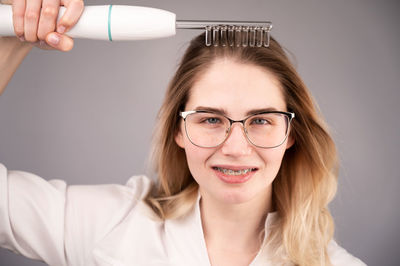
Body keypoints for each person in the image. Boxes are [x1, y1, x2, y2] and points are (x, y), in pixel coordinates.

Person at [0, 0, 367, 265]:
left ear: (291, 134)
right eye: (210, 119)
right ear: (178, 129)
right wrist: (11, 42)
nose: (236, 148)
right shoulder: (111, 225)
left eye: (260, 120)